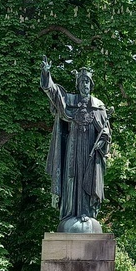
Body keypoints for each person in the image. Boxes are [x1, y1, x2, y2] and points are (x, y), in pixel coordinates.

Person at [40, 57, 111, 233]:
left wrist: (102, 139)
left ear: (91, 85)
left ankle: (86, 213)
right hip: (72, 148)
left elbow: (106, 131)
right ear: (78, 84)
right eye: (81, 82)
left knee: (88, 178)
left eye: (87, 82)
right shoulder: (70, 101)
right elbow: (54, 93)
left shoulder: (99, 106)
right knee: (71, 178)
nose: (84, 85)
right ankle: (70, 213)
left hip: (90, 150)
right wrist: (46, 74)